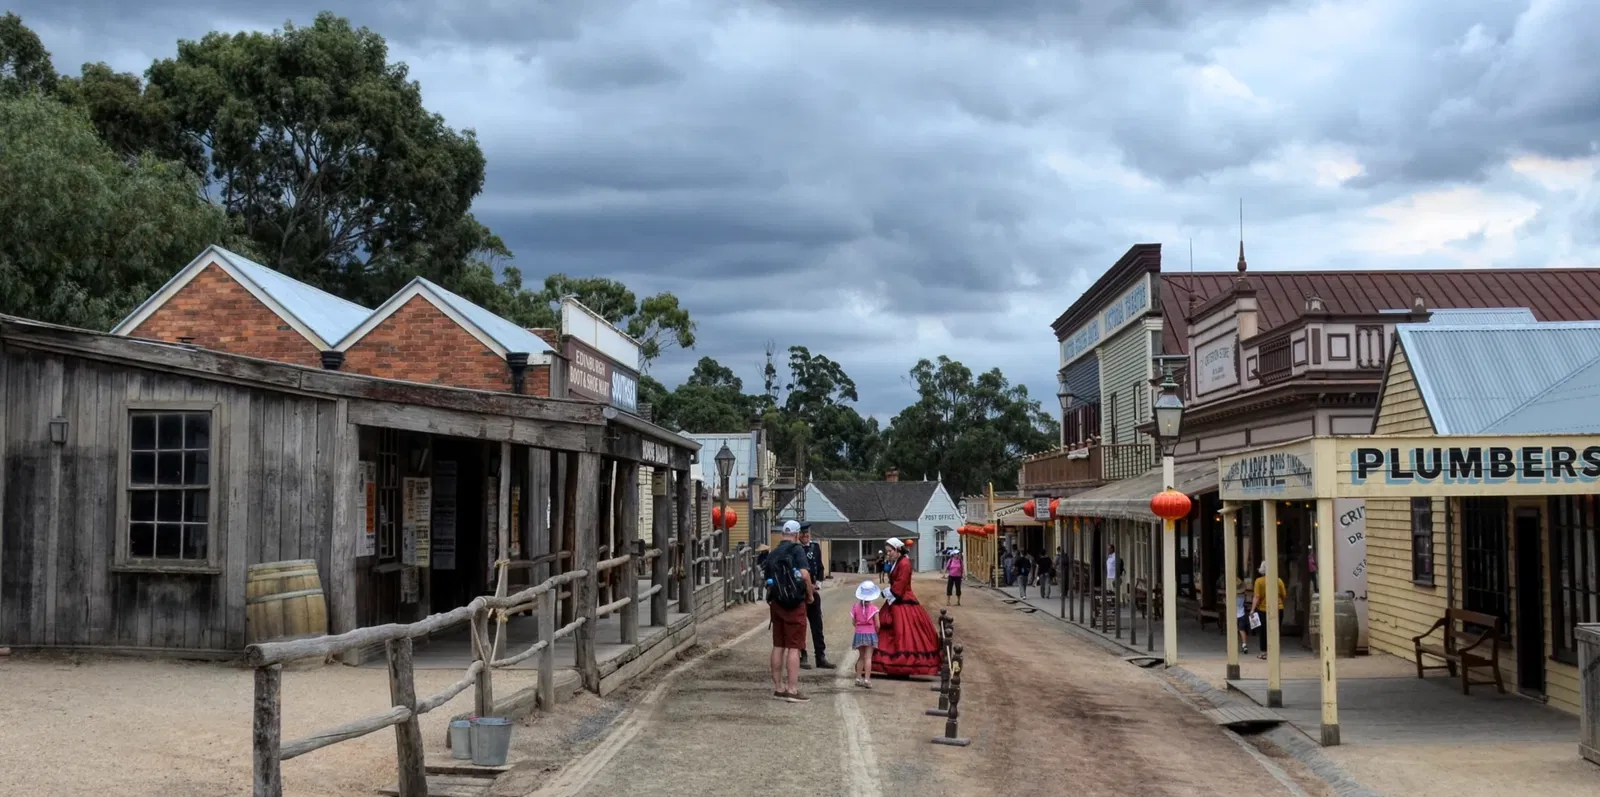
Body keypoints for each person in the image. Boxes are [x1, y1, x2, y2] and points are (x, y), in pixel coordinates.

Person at [872, 538, 942, 677]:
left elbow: (900, 586)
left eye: (890, 551)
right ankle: (892, 665)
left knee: (904, 632)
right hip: (898, 599)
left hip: (902, 599)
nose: (889, 554)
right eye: (887, 552)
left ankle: (902, 665)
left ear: (898, 549)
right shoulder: (899, 561)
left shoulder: (904, 563)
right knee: (892, 629)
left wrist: (885, 592)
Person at [765, 521, 815, 702]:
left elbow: (767, 579)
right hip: (794, 604)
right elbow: (804, 574)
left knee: (778, 645)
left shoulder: (773, 553)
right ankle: (792, 689)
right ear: (796, 534)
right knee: (794, 647)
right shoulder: (797, 550)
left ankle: (778, 688)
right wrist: (809, 595)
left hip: (777, 603)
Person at [796, 523, 833, 670]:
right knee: (800, 625)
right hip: (799, 592)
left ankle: (820, 656)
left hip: (814, 591)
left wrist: (818, 582)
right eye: (802, 534)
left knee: (817, 625)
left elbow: (820, 567)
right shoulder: (795, 549)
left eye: (807, 534)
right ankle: (802, 654)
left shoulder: (815, 547)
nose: (805, 537)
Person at [1249, 561, 1287, 660]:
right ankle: (1274, 652)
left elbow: (1257, 597)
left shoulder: (1259, 581)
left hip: (1263, 610)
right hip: (1278, 609)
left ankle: (1263, 652)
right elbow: (1284, 595)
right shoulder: (1278, 580)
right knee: (1275, 630)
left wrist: (1252, 610)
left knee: (1263, 632)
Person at [851, 580, 883, 688]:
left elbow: (853, 622)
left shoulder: (855, 607)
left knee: (861, 656)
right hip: (870, 633)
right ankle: (867, 679)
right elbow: (877, 624)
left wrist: (860, 627)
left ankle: (858, 678)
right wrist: (876, 632)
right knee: (868, 657)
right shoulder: (874, 609)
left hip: (859, 633)